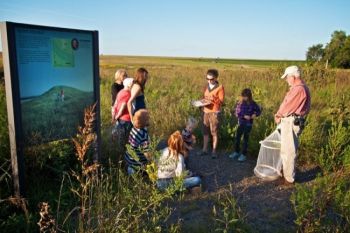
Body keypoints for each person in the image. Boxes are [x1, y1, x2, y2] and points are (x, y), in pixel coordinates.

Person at [274, 66, 311, 185]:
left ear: (293, 76)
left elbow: (288, 106)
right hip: (292, 120)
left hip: (290, 121)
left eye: (287, 77)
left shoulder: (298, 89)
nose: (286, 80)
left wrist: (278, 115)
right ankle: (286, 174)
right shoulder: (301, 87)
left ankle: (289, 179)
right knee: (286, 149)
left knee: (289, 151)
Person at [229, 88, 261, 162]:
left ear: (249, 96)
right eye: (243, 96)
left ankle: (243, 154)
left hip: (248, 124)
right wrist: (243, 116)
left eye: (245, 96)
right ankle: (236, 152)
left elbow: (258, 111)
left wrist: (255, 114)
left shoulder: (253, 103)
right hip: (241, 123)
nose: (244, 98)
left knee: (245, 139)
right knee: (237, 138)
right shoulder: (240, 103)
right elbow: (236, 113)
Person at [199, 69, 225, 159]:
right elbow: (204, 97)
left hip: (214, 112)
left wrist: (213, 100)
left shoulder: (220, 87)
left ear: (216, 78)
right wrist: (201, 103)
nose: (209, 81)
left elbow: (221, 101)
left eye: (211, 79)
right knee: (205, 132)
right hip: (205, 111)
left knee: (214, 132)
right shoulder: (206, 86)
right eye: (207, 79)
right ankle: (204, 150)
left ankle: (214, 151)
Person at [124, 109, 152, 175]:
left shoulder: (134, 128)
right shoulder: (143, 136)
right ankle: (137, 172)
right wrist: (152, 163)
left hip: (128, 160)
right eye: (148, 118)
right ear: (145, 122)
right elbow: (147, 153)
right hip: (137, 164)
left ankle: (130, 169)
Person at [111, 78, 134, 148]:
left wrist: (114, 115)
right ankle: (123, 151)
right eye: (133, 85)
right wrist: (117, 116)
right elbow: (123, 106)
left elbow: (115, 104)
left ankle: (116, 146)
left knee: (119, 134)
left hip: (120, 118)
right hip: (126, 119)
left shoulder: (120, 92)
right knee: (125, 137)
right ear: (130, 86)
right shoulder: (128, 94)